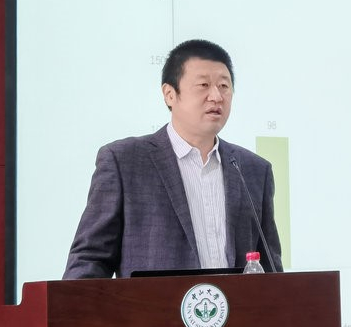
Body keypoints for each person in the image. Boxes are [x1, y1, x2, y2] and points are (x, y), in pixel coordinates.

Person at [63, 39, 283, 279]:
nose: (216, 96)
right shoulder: (125, 162)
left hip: (237, 305)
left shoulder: (253, 170)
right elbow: (90, 260)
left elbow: (271, 271)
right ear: (170, 94)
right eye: (203, 85)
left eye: (224, 86)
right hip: (152, 305)